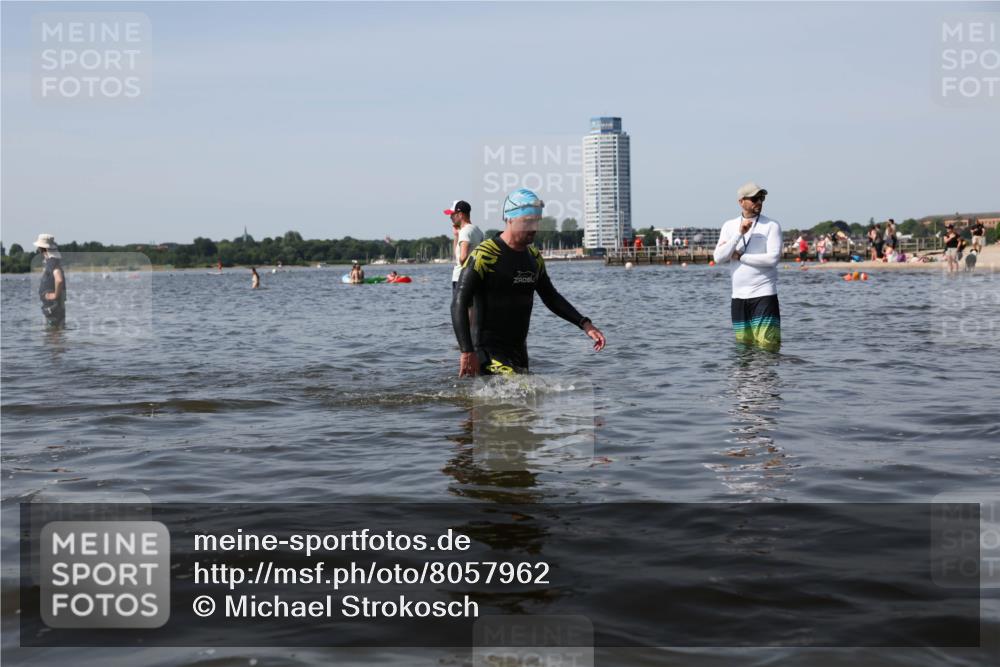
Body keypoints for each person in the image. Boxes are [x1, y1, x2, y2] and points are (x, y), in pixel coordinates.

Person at [451, 188, 606, 376]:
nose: (533, 227)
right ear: (509, 219)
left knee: (524, 401)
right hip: (486, 352)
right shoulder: (485, 255)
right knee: (516, 393)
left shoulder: (533, 257)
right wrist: (467, 351)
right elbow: (458, 302)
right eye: (527, 221)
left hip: (518, 352)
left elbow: (551, 297)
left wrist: (585, 324)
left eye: (536, 221)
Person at [713, 182, 782, 351]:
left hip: (764, 295)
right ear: (741, 201)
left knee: (768, 348)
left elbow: (772, 259)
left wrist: (741, 256)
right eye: (754, 198)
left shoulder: (771, 225)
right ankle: (745, 380)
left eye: (762, 198)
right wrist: (738, 234)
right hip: (738, 298)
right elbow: (718, 257)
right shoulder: (729, 226)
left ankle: (766, 378)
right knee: (743, 350)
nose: (759, 202)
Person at [444, 200, 483, 289]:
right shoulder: (477, 230)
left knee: (459, 303)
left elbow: (462, 258)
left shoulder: (465, 231)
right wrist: (456, 235)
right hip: (474, 277)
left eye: (453, 214)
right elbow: (457, 256)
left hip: (462, 278)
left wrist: (462, 261)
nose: (450, 217)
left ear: (460, 214)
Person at [33, 234, 67, 328]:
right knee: (54, 335)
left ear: (43, 249)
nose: (38, 250)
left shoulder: (53, 263)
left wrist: (55, 295)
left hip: (53, 308)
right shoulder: (51, 261)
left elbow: (59, 280)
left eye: (39, 248)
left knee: (53, 335)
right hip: (52, 307)